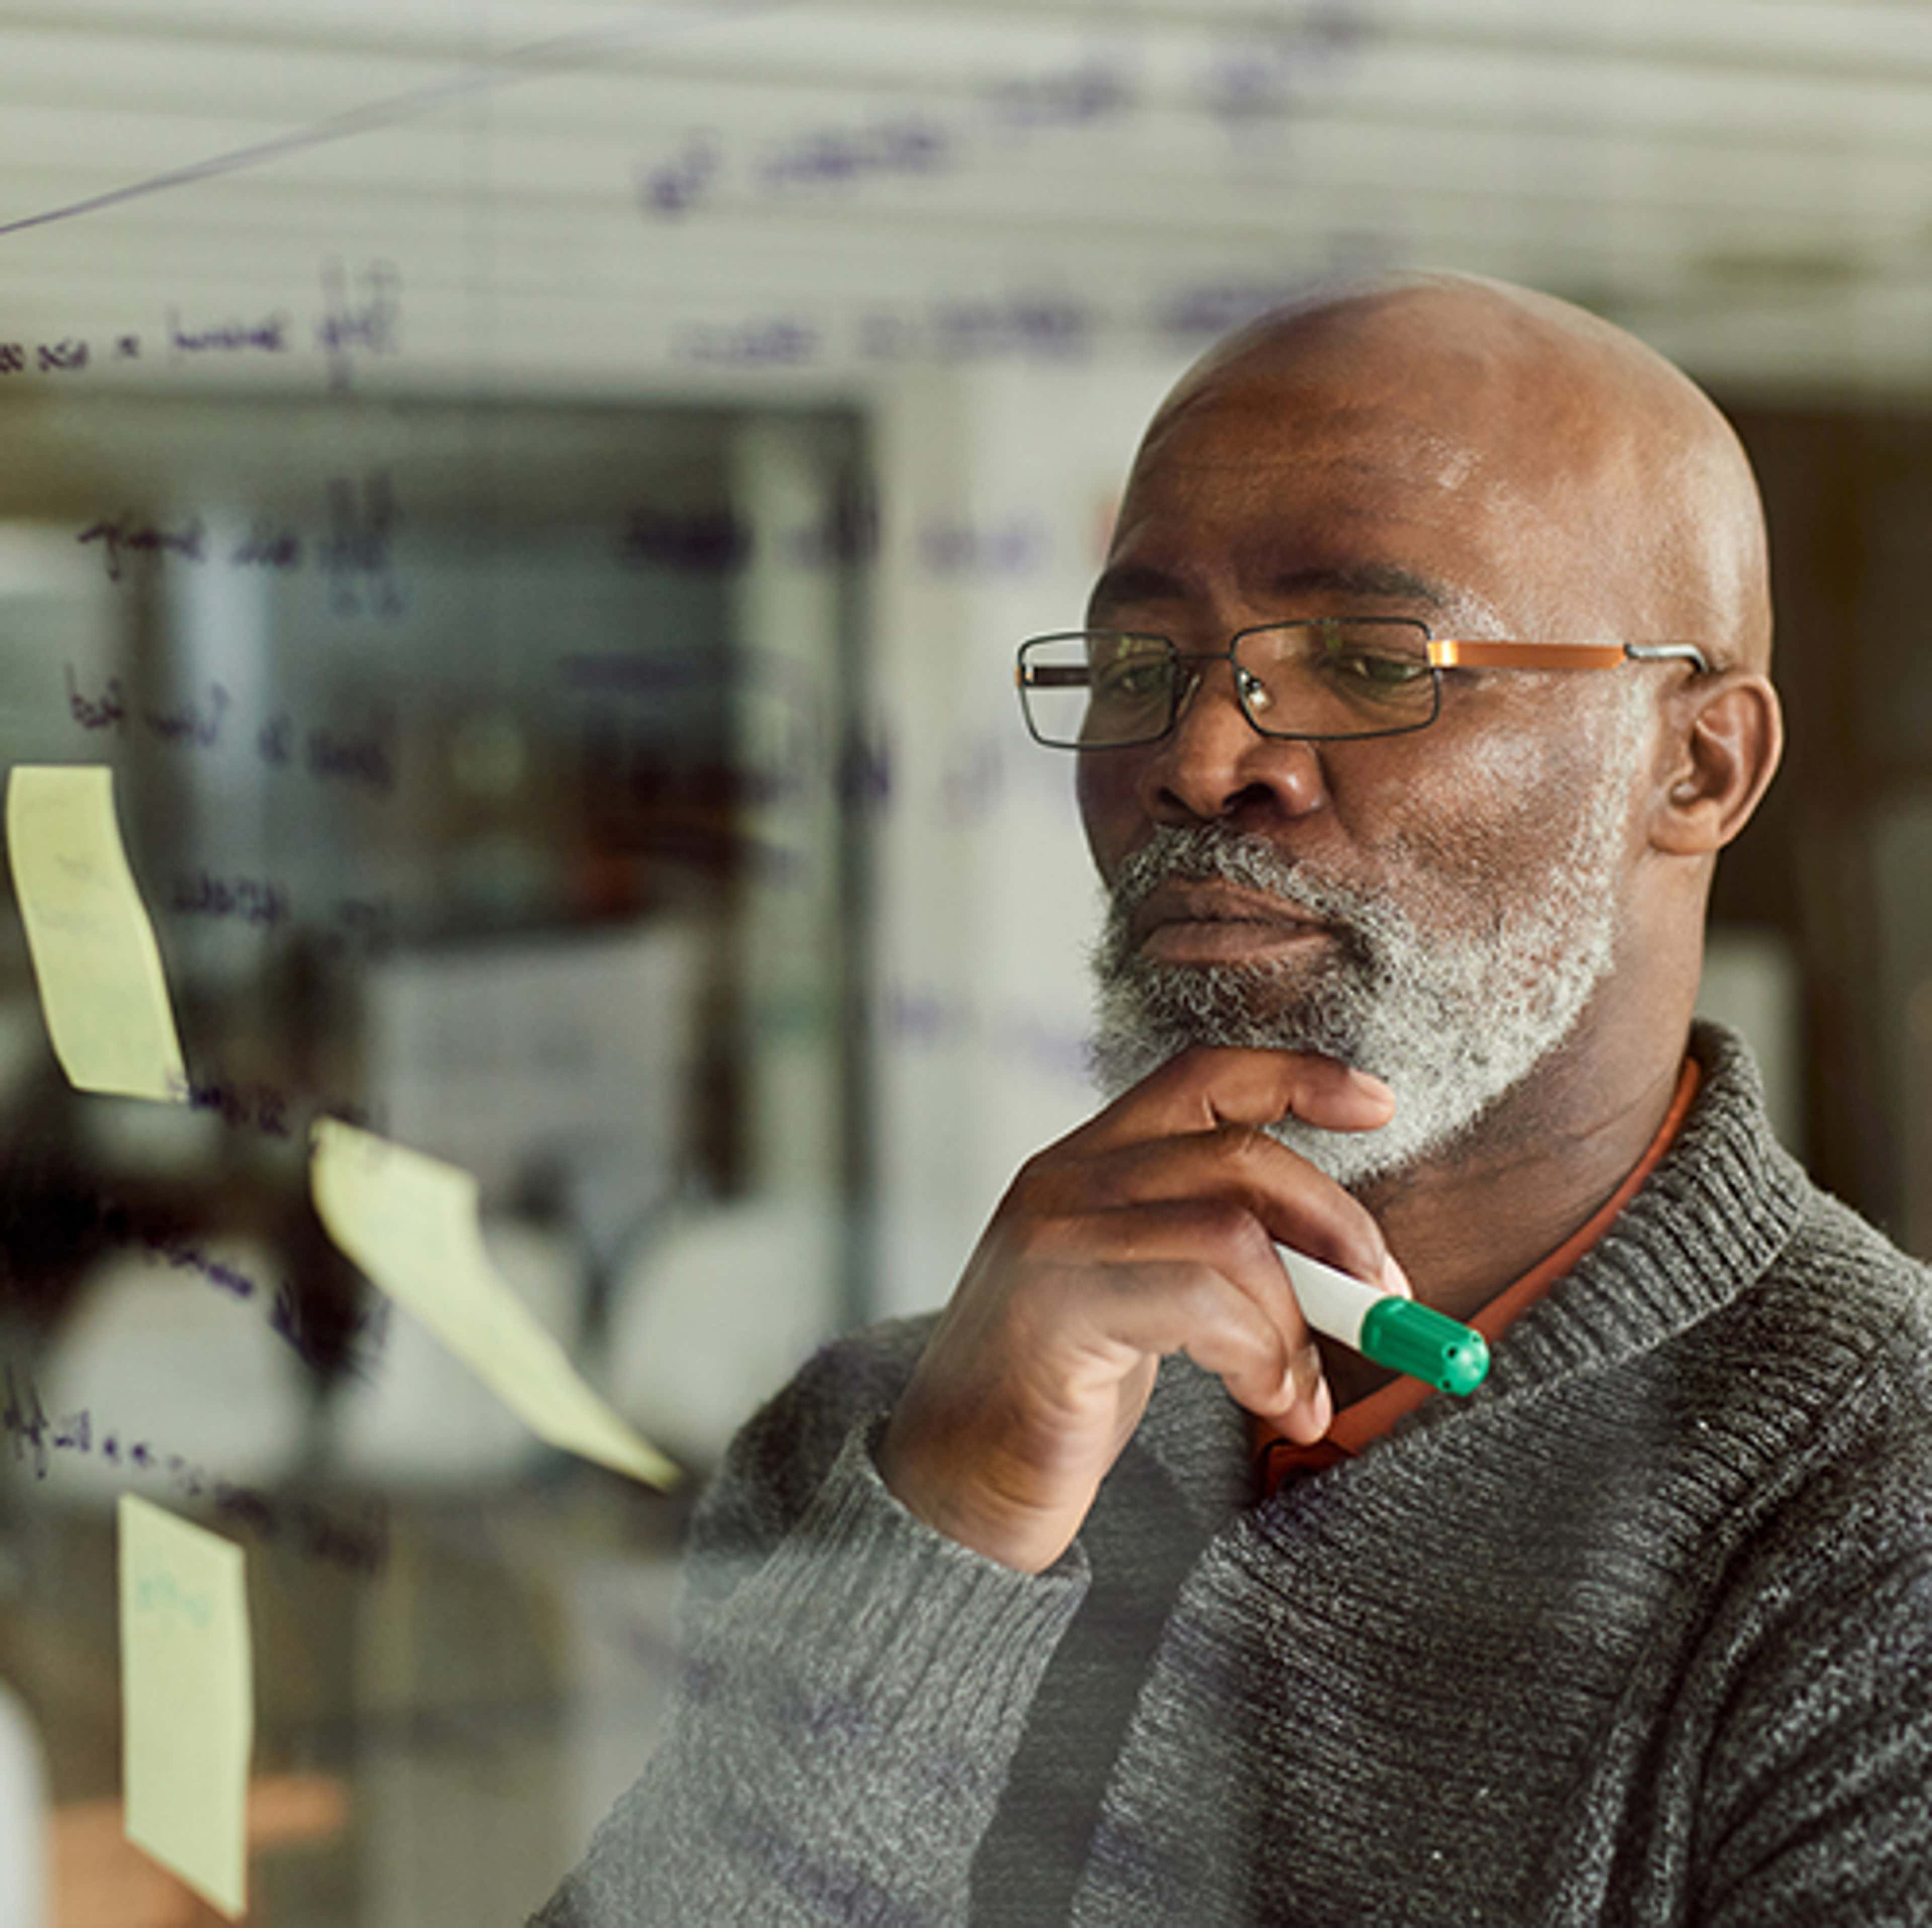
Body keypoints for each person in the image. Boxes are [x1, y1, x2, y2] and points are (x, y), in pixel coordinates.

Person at [534, 272, 1932, 1925]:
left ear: (1693, 767)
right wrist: (948, 1536)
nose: (1202, 758)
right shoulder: (886, 1438)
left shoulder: (1877, 1520)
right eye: (1138, 663)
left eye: (1367, 656)